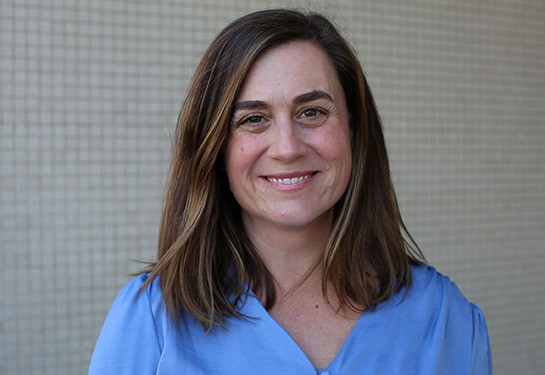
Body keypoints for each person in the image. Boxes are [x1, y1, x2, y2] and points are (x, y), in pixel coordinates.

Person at [89, 9, 492, 374]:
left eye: (312, 112)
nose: (287, 148)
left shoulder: (446, 318)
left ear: (353, 130)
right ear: (215, 148)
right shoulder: (151, 318)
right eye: (253, 118)